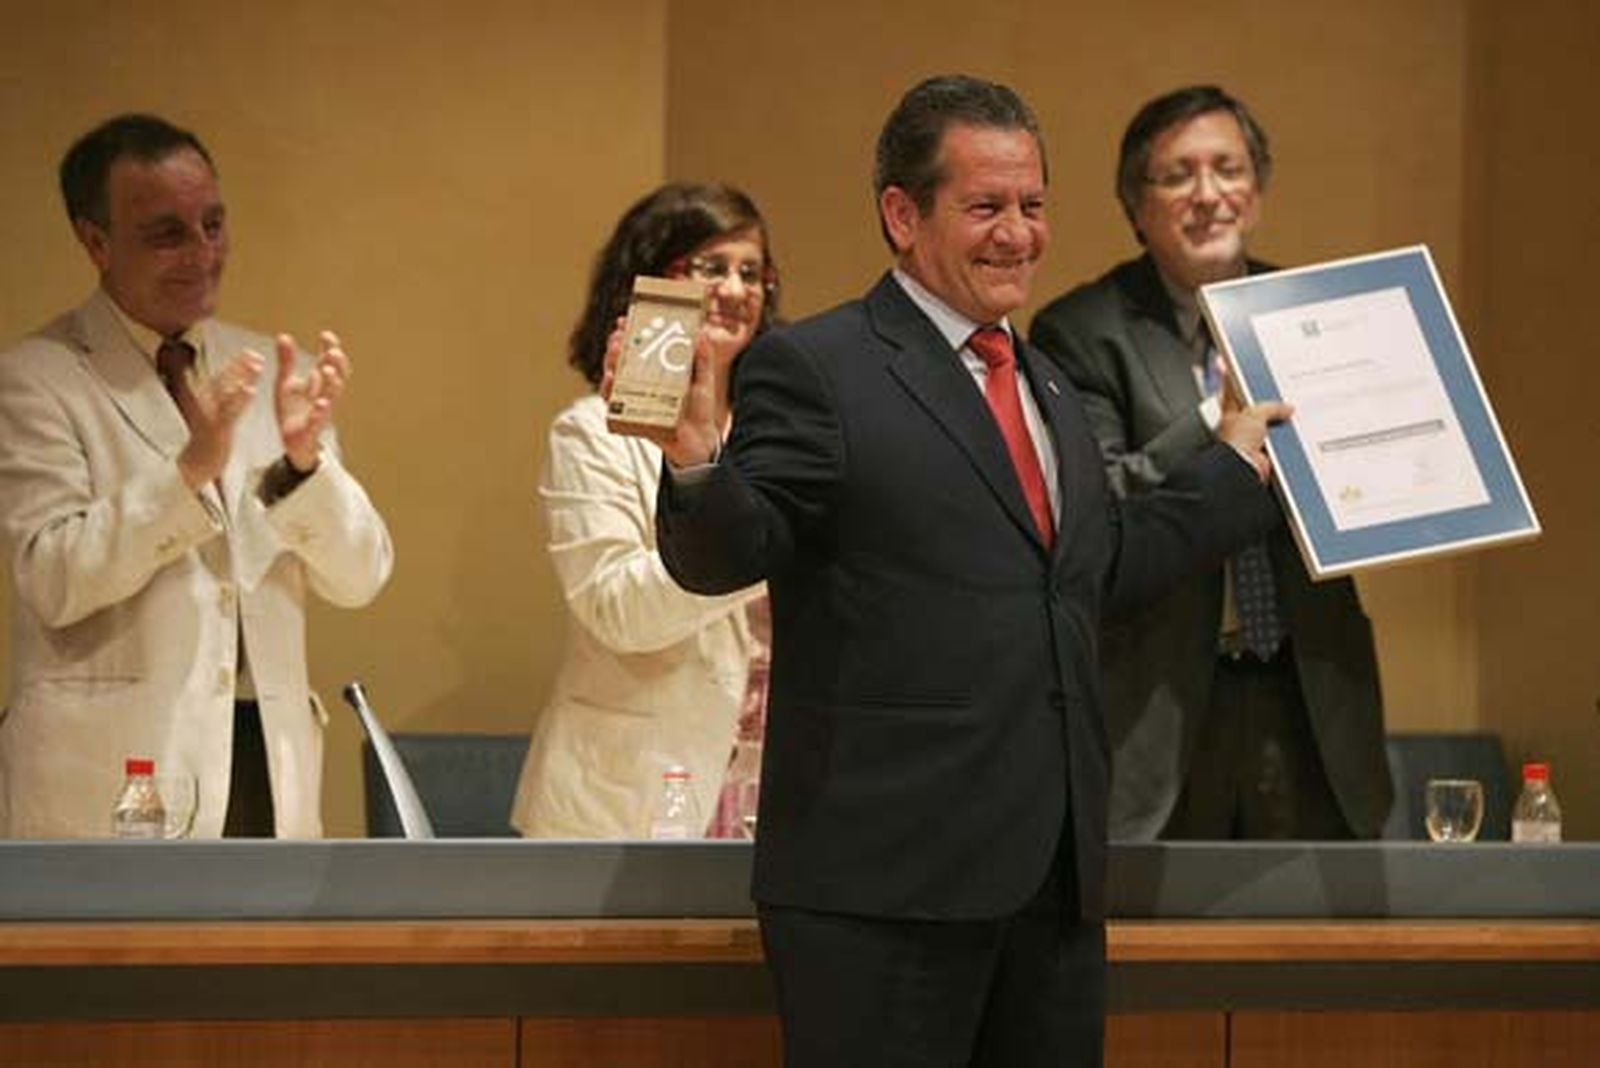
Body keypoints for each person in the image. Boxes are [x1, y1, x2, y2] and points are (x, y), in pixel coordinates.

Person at [645, 75, 1286, 1068]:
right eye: (985, 207)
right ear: (901, 215)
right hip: (880, 898)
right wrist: (694, 463)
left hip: (1052, 889)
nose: (1018, 234)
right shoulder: (818, 366)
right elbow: (730, 551)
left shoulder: (1044, 383)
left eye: (1032, 206)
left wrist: (1233, 469)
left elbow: (1090, 571)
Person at [0, 114, 393, 839]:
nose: (203, 253)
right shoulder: (34, 380)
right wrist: (188, 472)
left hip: (263, 768)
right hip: (110, 775)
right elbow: (52, 577)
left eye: (213, 224)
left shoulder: (282, 371)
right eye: (168, 233)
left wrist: (305, 470)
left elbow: (360, 576)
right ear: (95, 242)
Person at [1029, 85, 1392, 841]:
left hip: (1307, 692)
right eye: (1177, 175)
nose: (1208, 195)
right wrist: (1212, 424)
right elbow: (1095, 502)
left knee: (1323, 952)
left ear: (1255, 189)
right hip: (1158, 704)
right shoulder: (1080, 332)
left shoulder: (1321, 321)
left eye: (1227, 169)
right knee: (1155, 953)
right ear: (1136, 205)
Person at [511, 182, 778, 839]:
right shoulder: (589, 434)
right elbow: (620, 612)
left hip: (772, 786)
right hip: (629, 800)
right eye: (712, 267)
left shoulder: (781, 434)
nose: (737, 290)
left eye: (752, 272)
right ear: (650, 278)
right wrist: (762, 549)